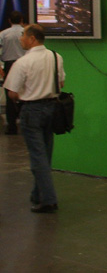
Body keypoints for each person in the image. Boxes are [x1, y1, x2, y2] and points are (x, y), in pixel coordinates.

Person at [3, 24, 65, 213]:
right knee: (45, 154)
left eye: (23, 35)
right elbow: (61, 82)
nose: (20, 39)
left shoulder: (22, 62)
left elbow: (12, 92)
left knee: (38, 157)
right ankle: (37, 194)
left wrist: (25, 94)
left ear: (32, 39)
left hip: (32, 111)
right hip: (51, 109)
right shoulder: (56, 57)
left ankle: (48, 199)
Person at [1, 10, 27, 134]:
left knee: (10, 95)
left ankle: (12, 127)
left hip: (9, 66)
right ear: (21, 20)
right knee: (27, 93)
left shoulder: (3, 34)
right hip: (26, 65)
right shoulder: (27, 32)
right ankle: (26, 123)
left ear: (9, 21)